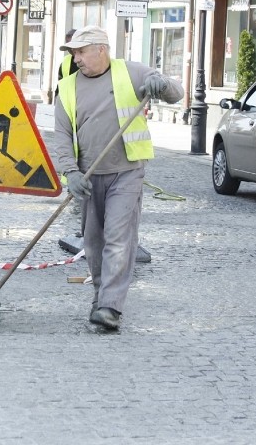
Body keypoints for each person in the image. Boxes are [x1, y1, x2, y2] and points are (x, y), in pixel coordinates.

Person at [52, 25, 184, 330]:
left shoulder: (132, 72)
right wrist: (70, 172)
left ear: (101, 49)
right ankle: (100, 298)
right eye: (73, 53)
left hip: (126, 173)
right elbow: (61, 135)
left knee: (119, 239)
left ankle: (111, 307)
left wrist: (160, 83)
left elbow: (177, 93)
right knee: (94, 242)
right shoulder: (68, 87)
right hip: (88, 177)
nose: (77, 58)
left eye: (81, 51)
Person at [54, 28, 78, 98]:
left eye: (73, 46)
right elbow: (60, 87)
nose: (71, 50)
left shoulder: (92, 62)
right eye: (68, 48)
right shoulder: (65, 62)